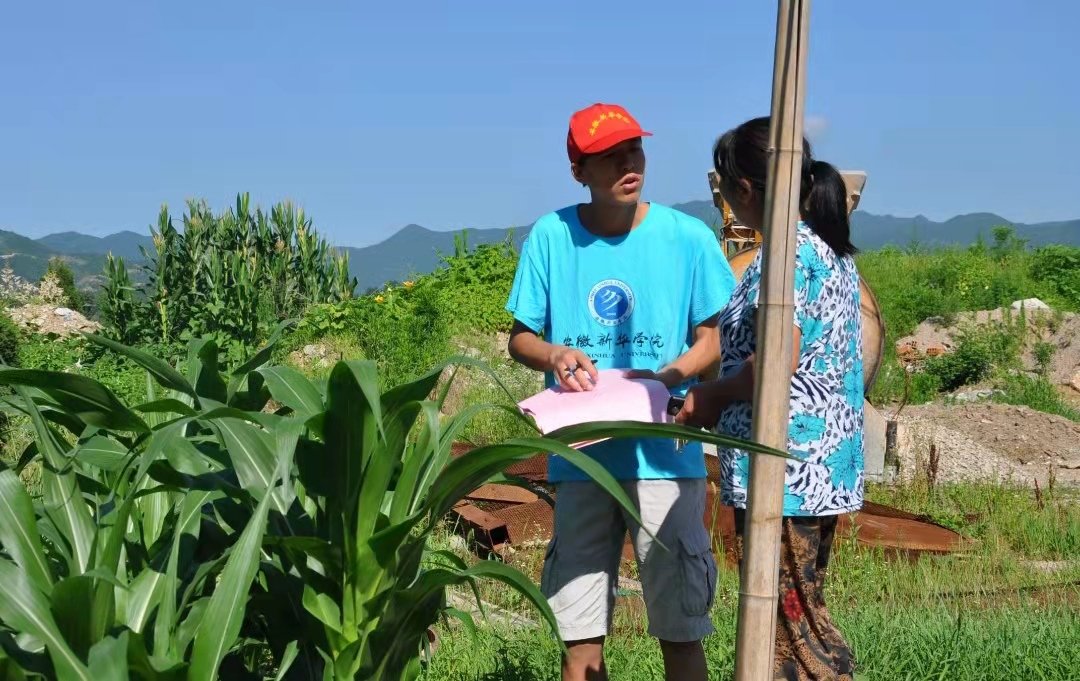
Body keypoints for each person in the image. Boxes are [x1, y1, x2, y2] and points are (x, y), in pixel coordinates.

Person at [505, 102, 737, 681]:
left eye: (634, 150)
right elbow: (520, 338)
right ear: (579, 170)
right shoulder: (552, 237)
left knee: (680, 632)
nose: (628, 164)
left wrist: (671, 376)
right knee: (579, 642)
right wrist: (555, 353)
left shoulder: (686, 238)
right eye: (608, 157)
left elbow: (712, 340)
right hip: (581, 461)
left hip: (663, 460)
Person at [676, 116, 864, 681]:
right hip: (809, 467)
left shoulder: (788, 255)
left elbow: (776, 359)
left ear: (744, 190)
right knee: (796, 619)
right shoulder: (820, 248)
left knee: (794, 628)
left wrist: (711, 398)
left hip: (786, 468)